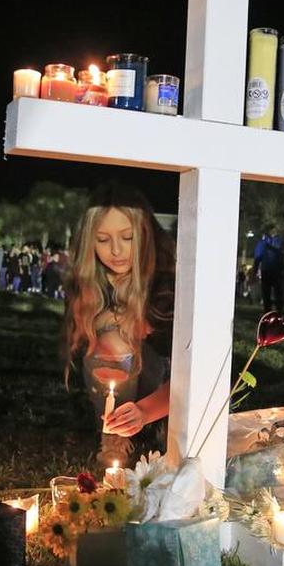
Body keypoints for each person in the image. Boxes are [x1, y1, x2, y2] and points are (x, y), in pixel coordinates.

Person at [63, 183, 175, 467]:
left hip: (168, 392)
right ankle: (114, 440)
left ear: (145, 234)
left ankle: (144, 431)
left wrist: (146, 411)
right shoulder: (89, 285)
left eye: (127, 237)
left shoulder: (167, 285)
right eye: (102, 239)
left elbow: (195, 371)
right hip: (115, 391)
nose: (116, 250)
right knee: (108, 335)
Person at [252, 225, 283, 312]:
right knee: (271, 293)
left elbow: (258, 257)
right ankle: (273, 311)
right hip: (270, 270)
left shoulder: (265, 242)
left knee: (271, 293)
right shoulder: (278, 242)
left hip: (271, 270)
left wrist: (255, 270)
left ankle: (272, 311)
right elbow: (258, 257)